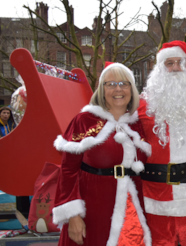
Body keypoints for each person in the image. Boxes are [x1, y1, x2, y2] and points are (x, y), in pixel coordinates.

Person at [52, 62, 152, 246]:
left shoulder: (139, 123)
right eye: (110, 84)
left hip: (134, 211)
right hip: (93, 207)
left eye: (124, 83)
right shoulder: (84, 121)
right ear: (101, 89)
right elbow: (68, 170)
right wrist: (72, 214)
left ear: (132, 88)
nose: (118, 89)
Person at [138, 41, 186, 246]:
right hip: (157, 203)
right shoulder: (142, 106)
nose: (174, 68)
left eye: (179, 62)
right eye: (168, 63)